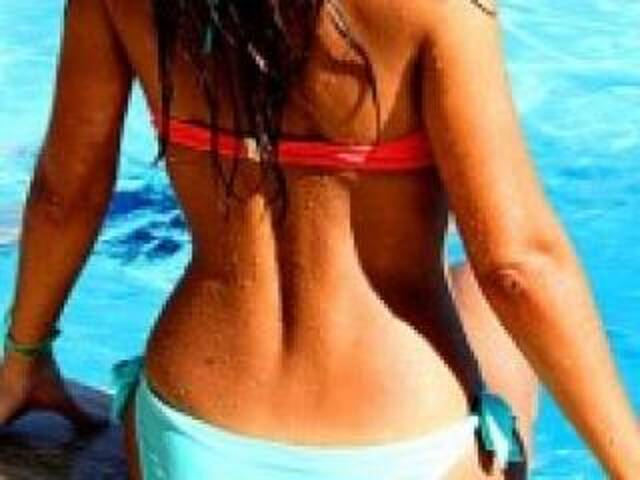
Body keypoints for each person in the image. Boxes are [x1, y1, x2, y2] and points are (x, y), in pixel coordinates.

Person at [0, 0, 638, 478]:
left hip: (195, 434)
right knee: (480, 294)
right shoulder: (439, 8)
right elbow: (518, 268)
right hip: (401, 445)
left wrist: (25, 354)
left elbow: (64, 195)